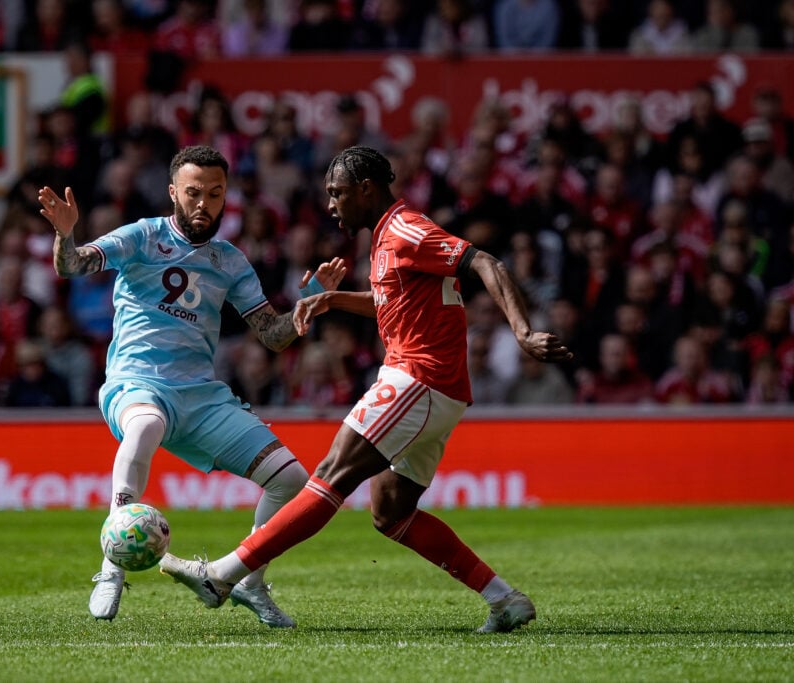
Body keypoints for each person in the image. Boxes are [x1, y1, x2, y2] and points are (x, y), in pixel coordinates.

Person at [159, 146, 572, 633]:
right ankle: (504, 600)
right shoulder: (386, 238)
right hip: (439, 388)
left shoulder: (405, 228)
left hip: (418, 377)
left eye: (337, 194)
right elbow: (390, 300)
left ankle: (224, 576)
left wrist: (522, 332)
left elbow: (486, 263)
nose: (331, 205)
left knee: (331, 474)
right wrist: (331, 299)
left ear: (366, 189)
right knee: (391, 511)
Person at [37, 145, 346, 627]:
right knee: (143, 430)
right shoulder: (142, 236)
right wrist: (66, 233)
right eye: (194, 192)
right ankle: (111, 568)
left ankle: (249, 580)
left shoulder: (230, 261)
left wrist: (306, 303)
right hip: (137, 383)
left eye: (216, 194)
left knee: (289, 480)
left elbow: (271, 334)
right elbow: (71, 265)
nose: (205, 203)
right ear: (173, 193)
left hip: (201, 397)